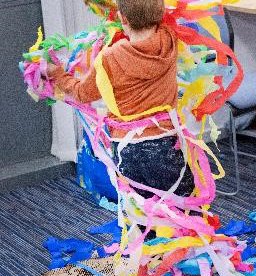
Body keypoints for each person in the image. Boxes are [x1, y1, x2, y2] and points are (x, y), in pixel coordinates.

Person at [47, 0, 194, 199]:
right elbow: (150, 14)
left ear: (122, 18)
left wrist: (57, 74)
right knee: (183, 206)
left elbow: (83, 93)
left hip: (128, 149)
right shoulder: (169, 39)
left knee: (139, 211)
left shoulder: (110, 57)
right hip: (164, 145)